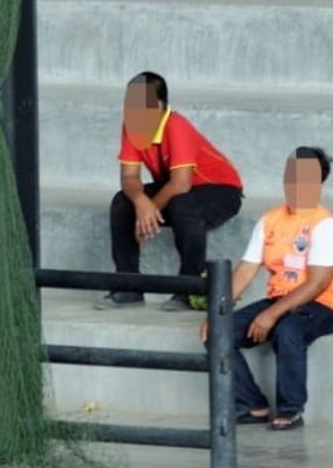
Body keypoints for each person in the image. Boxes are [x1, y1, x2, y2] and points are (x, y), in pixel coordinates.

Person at [200, 147, 333, 431]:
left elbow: (318, 283)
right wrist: (218, 310)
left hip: (321, 305)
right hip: (279, 298)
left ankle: (291, 409)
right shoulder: (270, 219)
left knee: (287, 329)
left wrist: (272, 315)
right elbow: (245, 269)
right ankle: (253, 405)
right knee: (219, 333)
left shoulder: (325, 225)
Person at [97, 72, 244, 311]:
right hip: (178, 188)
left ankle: (189, 287)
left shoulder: (176, 126)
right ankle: (128, 285)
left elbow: (181, 183)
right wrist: (140, 201)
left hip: (222, 191)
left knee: (181, 204)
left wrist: (150, 208)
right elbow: (129, 177)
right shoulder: (132, 126)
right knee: (123, 202)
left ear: (159, 106)